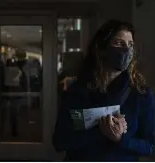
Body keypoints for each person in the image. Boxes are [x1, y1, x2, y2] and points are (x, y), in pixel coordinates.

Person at [52, 19, 155, 161]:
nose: (126, 49)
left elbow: (150, 146)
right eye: (118, 43)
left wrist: (121, 139)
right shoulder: (77, 90)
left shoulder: (141, 94)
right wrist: (101, 131)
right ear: (102, 48)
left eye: (130, 45)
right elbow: (60, 142)